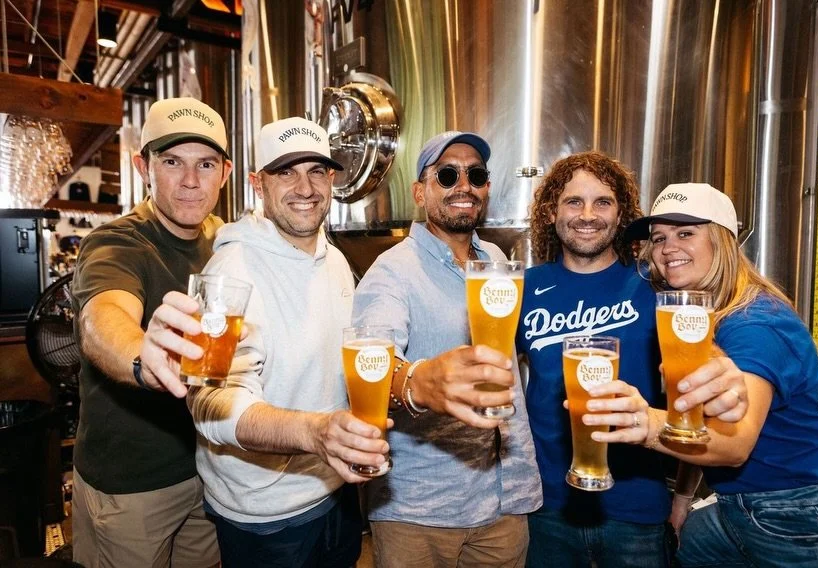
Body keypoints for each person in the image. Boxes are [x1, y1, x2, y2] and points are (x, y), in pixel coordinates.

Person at [516, 152, 749, 567]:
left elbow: (691, 395)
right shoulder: (523, 290)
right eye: (574, 202)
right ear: (552, 212)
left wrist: (681, 496)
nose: (588, 215)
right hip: (545, 510)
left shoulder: (658, 289)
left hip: (638, 513)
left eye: (602, 202)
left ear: (621, 213)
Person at [613, 182, 818, 567]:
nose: (667, 247)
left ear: (722, 241)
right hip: (739, 503)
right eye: (658, 238)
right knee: (687, 546)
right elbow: (701, 419)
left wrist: (646, 423)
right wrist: (681, 503)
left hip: (806, 504)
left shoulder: (754, 323)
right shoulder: (698, 321)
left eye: (686, 233)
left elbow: (734, 444)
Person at [185, 116, 389, 567]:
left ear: (333, 179)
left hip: (334, 488)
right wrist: (312, 432)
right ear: (258, 184)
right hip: (264, 514)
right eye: (286, 172)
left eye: (317, 171)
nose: (306, 187)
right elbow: (206, 401)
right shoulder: (228, 273)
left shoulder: (333, 259)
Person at [352, 131, 543, 567]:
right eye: (447, 175)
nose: (464, 186)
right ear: (420, 192)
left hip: (503, 499)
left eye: (475, 175)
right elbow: (372, 367)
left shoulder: (495, 260)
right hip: (421, 510)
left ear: (487, 189)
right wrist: (419, 383)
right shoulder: (392, 272)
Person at [71, 97, 231, 567]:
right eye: (171, 162)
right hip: (130, 486)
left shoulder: (223, 239)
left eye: (204, 164)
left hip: (208, 473)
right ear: (144, 166)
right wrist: (144, 358)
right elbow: (103, 319)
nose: (189, 181)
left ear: (224, 173)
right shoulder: (117, 242)